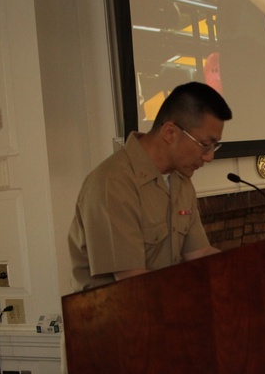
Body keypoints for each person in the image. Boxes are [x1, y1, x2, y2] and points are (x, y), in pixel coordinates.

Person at [68, 82, 231, 289]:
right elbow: (133, 282)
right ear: (170, 132)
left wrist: (238, 269)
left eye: (215, 146)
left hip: (164, 309)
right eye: (206, 145)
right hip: (116, 315)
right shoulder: (113, 183)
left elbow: (199, 254)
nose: (209, 157)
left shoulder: (180, 180)